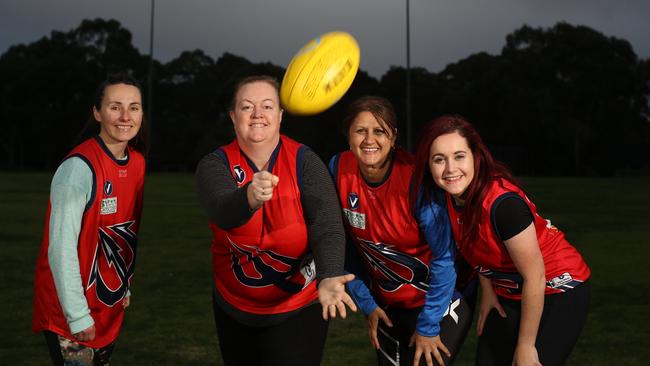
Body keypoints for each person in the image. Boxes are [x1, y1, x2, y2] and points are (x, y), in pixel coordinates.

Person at [195, 75, 357, 366]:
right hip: (234, 307)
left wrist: (330, 274)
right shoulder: (214, 164)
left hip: (297, 307)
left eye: (267, 106)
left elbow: (328, 224)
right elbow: (222, 210)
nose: (257, 114)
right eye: (246, 107)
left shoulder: (304, 161)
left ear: (280, 115)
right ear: (233, 116)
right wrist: (249, 197)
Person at [412, 114, 591, 366]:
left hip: (556, 287)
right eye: (439, 159)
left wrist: (526, 346)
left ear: (476, 156)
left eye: (459, 156)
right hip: (509, 290)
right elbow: (480, 245)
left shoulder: (503, 206)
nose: (450, 169)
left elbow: (535, 276)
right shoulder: (449, 199)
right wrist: (487, 290)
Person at [329, 96, 472, 366]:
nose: (369, 139)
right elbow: (345, 248)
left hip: (440, 300)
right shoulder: (338, 169)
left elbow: (444, 257)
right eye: (360, 130)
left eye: (379, 131)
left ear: (393, 137)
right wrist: (368, 304)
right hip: (389, 306)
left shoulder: (415, 179)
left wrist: (429, 325)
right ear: (348, 136)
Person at [32, 73, 147, 365]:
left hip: (107, 303)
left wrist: (124, 286)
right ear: (97, 112)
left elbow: (124, 234)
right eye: (114, 106)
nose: (125, 116)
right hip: (71, 312)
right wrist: (77, 314)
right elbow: (60, 248)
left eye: (134, 107)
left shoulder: (137, 163)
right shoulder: (77, 169)